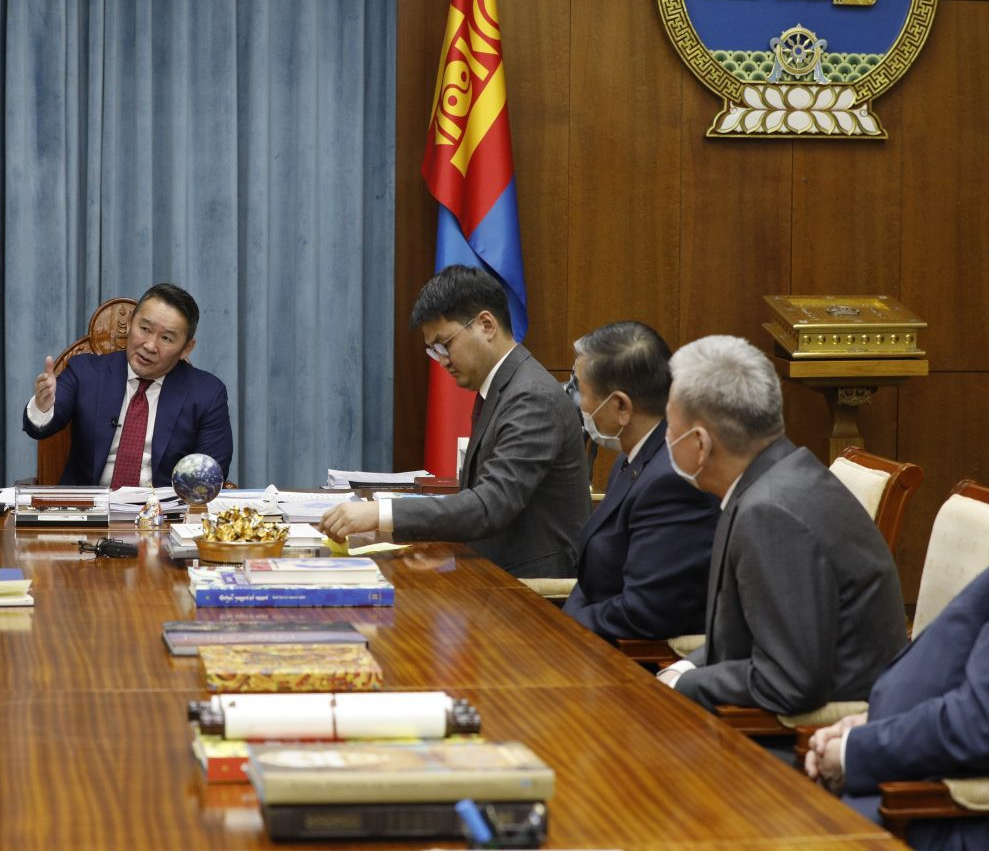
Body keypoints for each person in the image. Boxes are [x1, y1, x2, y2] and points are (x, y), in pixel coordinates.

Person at [655, 335, 906, 715]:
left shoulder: (771, 514)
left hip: (802, 744)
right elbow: (742, 636)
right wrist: (686, 666)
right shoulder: (775, 476)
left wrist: (686, 684)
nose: (667, 440)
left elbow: (788, 683)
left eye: (670, 429)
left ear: (700, 443)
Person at [321, 265, 589, 577]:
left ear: (486, 325)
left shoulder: (532, 397)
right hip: (491, 574)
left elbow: (489, 505)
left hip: (531, 591)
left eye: (444, 345)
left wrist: (379, 514)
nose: (442, 361)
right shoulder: (504, 385)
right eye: (433, 351)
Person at [805, 566, 989, 851]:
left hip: (936, 811)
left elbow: (976, 726)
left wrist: (851, 754)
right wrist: (874, 722)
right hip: (910, 783)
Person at [562, 321, 719, 640]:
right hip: (593, 640)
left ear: (620, 406)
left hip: (638, 666)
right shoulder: (632, 458)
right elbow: (592, 578)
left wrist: (567, 627)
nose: (580, 406)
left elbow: (645, 613)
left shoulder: (673, 480)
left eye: (583, 392)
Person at [23, 283, 233, 486]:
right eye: (144, 329)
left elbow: (209, 474)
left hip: (163, 516)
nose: (150, 345)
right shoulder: (85, 371)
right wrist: (44, 406)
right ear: (131, 323)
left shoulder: (207, 394)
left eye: (167, 338)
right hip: (88, 513)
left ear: (187, 348)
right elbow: (40, 429)